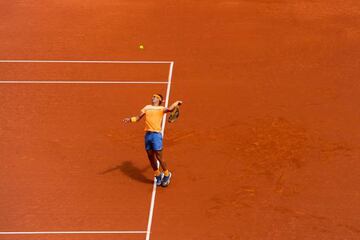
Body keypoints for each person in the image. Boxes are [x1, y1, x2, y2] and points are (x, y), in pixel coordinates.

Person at [123, 94, 182, 187]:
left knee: (159, 157)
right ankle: (158, 174)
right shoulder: (147, 107)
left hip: (156, 136)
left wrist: (177, 103)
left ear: (159, 100)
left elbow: (170, 109)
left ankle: (167, 174)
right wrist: (130, 119)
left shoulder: (161, 109)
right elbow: (138, 118)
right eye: (152, 97)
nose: (152, 98)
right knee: (150, 156)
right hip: (148, 135)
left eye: (155, 97)